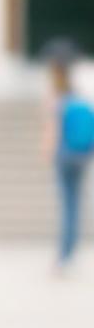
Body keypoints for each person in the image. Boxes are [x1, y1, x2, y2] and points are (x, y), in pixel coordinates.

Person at [41, 60, 93, 276]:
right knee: (75, 205)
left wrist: (45, 151)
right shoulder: (80, 98)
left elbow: (53, 130)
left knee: (67, 206)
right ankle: (70, 252)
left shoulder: (58, 100)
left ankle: (64, 255)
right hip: (81, 155)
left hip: (64, 156)